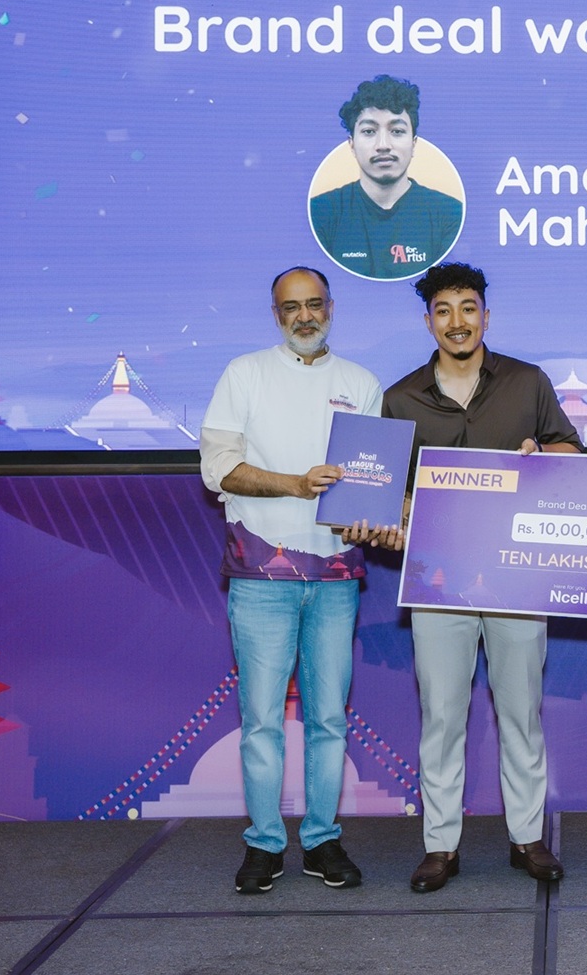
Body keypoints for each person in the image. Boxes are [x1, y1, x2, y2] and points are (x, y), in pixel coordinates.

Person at [200, 266, 404, 895]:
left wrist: (371, 517)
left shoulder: (361, 383)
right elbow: (218, 468)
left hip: (336, 574)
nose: (305, 316)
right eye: (292, 307)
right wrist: (295, 484)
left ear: (331, 309)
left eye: (314, 304)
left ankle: (320, 839)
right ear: (276, 315)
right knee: (261, 718)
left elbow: (371, 483)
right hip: (261, 572)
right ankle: (264, 842)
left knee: (328, 719)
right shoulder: (244, 374)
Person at [382, 261, 580, 892]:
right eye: (444, 311)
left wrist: (541, 458)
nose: (457, 321)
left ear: (486, 316)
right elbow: (389, 494)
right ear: (428, 322)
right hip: (439, 581)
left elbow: (570, 452)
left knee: (521, 711)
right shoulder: (400, 398)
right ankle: (440, 846)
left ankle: (527, 839)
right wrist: (394, 514)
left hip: (518, 578)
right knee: (442, 714)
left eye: (468, 308)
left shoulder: (528, 382)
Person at [309, 75, 463, 281]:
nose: (383, 145)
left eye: (397, 131)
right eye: (369, 131)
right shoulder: (321, 212)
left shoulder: (450, 214)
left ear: (414, 143)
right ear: (351, 144)